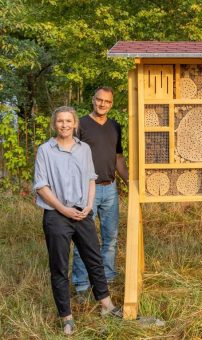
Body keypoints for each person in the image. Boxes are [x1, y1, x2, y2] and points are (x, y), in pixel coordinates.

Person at [34, 106, 122, 335]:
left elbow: (91, 178)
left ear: (75, 124)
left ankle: (106, 305)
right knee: (60, 267)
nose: (64, 125)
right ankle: (67, 317)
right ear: (55, 124)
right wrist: (63, 209)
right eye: (60, 121)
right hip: (56, 215)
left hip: (82, 213)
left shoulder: (83, 149)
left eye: (68, 121)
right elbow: (41, 186)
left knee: (94, 259)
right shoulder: (45, 150)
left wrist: (90, 205)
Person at [72, 86, 128, 298]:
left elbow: (119, 160)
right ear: (92, 100)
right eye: (99, 100)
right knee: (83, 239)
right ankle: (82, 286)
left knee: (111, 238)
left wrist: (130, 181)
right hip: (86, 190)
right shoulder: (81, 126)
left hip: (110, 189)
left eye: (107, 101)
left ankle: (107, 281)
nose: (102, 104)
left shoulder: (115, 126)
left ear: (111, 104)